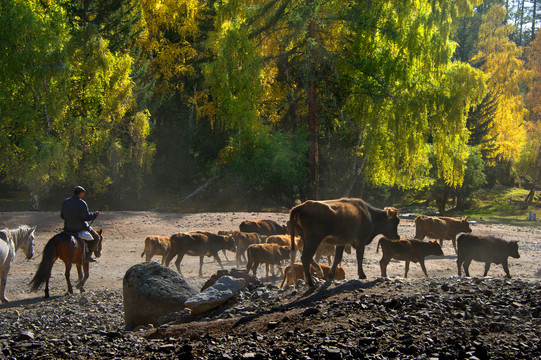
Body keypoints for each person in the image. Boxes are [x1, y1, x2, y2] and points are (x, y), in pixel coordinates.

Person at [61, 186, 100, 262]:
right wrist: (95, 214)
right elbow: (86, 217)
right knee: (96, 238)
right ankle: (88, 255)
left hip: (67, 228)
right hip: (79, 228)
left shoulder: (66, 201)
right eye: (82, 194)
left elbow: (62, 215)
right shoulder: (82, 203)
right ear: (81, 194)